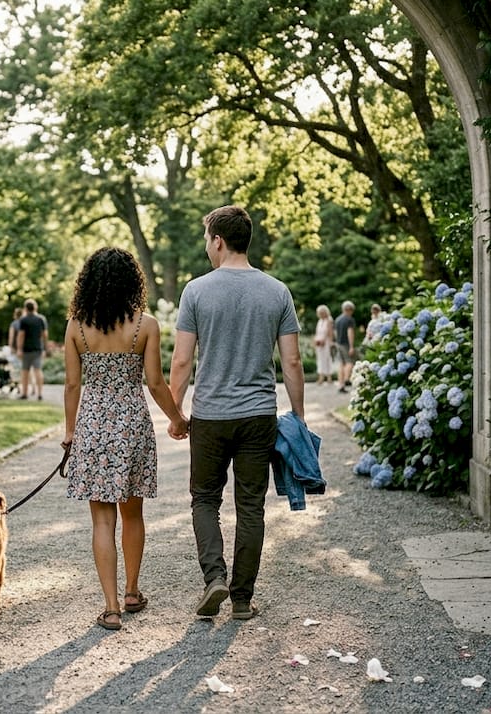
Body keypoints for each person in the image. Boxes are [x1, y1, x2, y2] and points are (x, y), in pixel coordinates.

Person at [168, 205, 306, 622]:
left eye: (206, 239)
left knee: (205, 500)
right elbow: (293, 362)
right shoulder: (277, 291)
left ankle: (215, 578)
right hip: (258, 415)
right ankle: (242, 599)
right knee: (251, 506)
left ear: (218, 241)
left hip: (210, 415)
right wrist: (297, 417)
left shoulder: (196, 291)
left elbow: (181, 363)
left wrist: (175, 413)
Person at [63, 247, 189, 631]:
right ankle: (133, 591)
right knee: (132, 513)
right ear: (133, 282)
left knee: (102, 520)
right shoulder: (145, 325)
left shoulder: (76, 327)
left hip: (93, 425)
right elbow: (154, 382)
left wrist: (70, 432)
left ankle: (111, 607)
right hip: (132, 424)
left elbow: (72, 384)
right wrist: (177, 419)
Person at [14, 299, 48, 400]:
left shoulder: (23, 320)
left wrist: (19, 349)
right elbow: (45, 335)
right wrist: (44, 348)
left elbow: (21, 335)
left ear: (25, 308)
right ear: (35, 307)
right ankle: (40, 393)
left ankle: (25, 393)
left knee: (25, 372)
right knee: (38, 371)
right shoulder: (41, 319)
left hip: (26, 349)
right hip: (37, 349)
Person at [335, 301, 357, 392]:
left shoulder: (338, 319)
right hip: (346, 344)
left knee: (341, 364)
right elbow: (350, 333)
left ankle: (341, 385)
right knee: (349, 363)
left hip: (339, 343)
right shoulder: (349, 319)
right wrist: (351, 346)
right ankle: (346, 380)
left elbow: (335, 333)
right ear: (350, 309)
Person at [312, 305, 335, 385]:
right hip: (319, 342)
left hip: (326, 342)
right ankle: (321, 377)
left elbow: (330, 332)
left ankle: (329, 377)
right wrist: (315, 341)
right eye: (319, 313)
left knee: (327, 358)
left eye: (322, 313)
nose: (321, 314)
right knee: (320, 359)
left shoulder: (329, 320)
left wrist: (327, 341)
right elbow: (317, 332)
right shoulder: (319, 321)